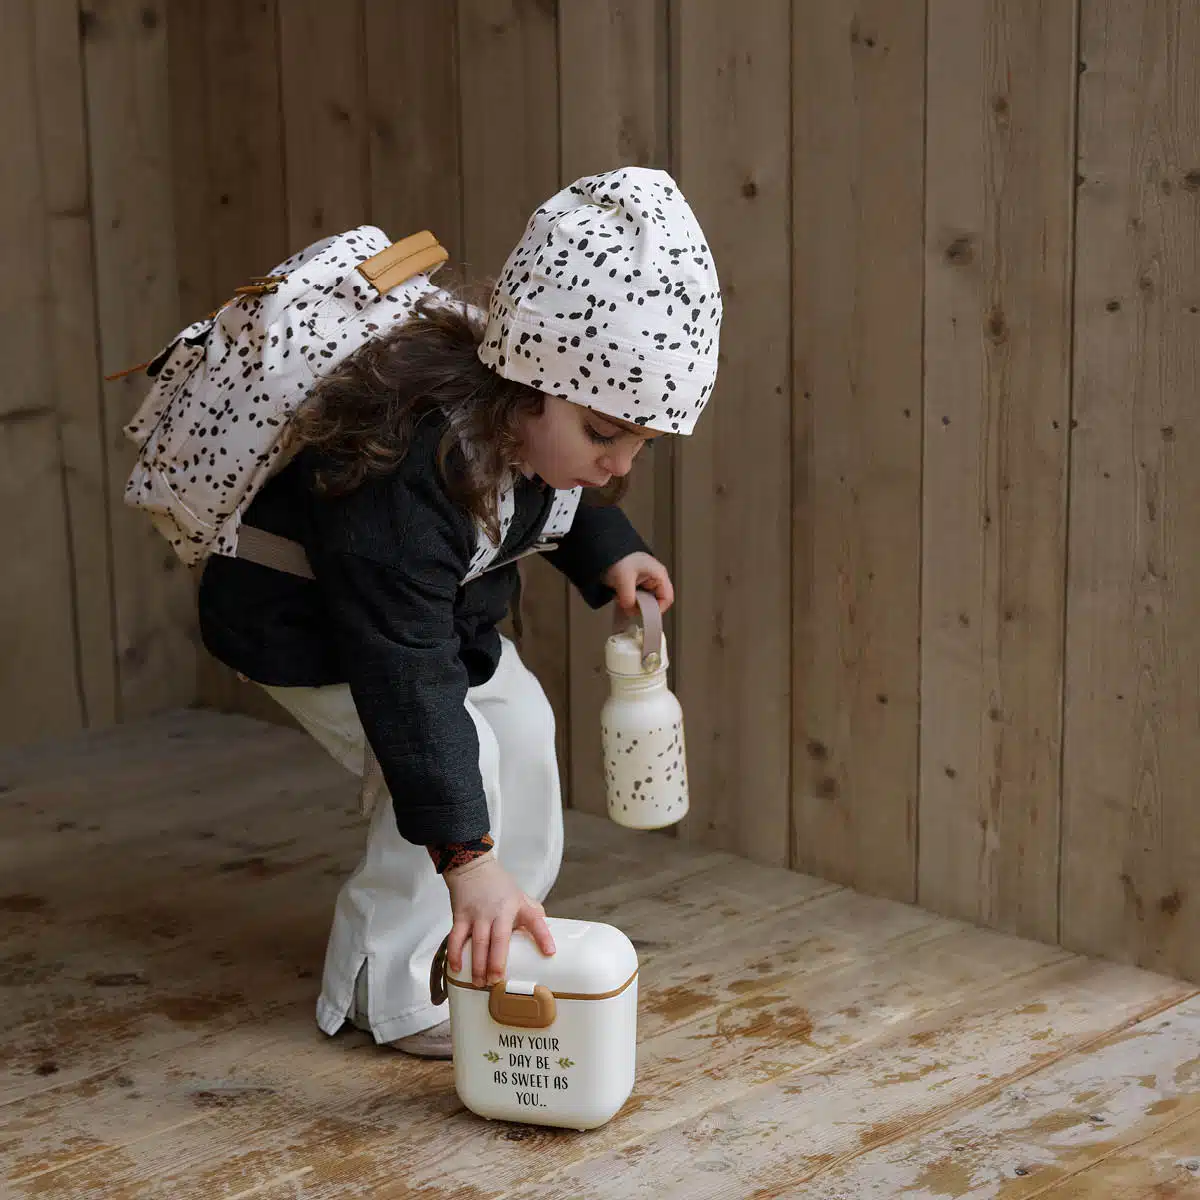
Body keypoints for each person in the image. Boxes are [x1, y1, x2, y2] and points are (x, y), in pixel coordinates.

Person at [197, 167, 721, 1059]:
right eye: (606, 434)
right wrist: (463, 852)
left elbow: (560, 496)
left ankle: (494, 930)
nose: (621, 464)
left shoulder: (536, 424)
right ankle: (390, 992)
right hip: (307, 625)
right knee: (447, 766)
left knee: (522, 727)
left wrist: (612, 554)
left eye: (641, 441)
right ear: (524, 383)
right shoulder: (406, 474)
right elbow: (403, 677)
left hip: (436, 621)